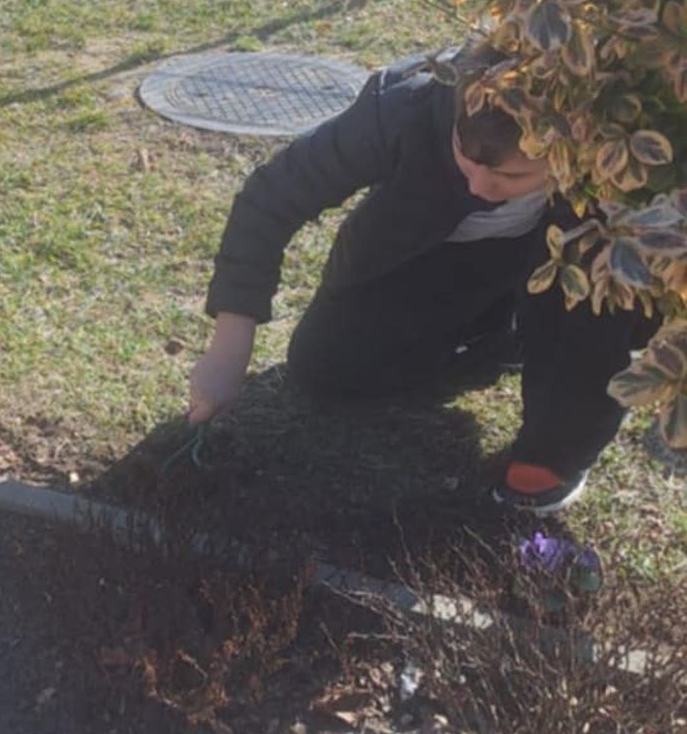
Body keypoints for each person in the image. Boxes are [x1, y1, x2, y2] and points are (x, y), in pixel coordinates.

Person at [185, 48, 644, 511]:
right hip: (428, 251)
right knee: (325, 366)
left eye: (509, 175)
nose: (479, 187)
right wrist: (229, 347)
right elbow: (272, 196)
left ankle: (552, 453)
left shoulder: (614, 153)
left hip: (556, 257)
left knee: (596, 295)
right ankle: (499, 339)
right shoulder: (405, 107)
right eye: (465, 158)